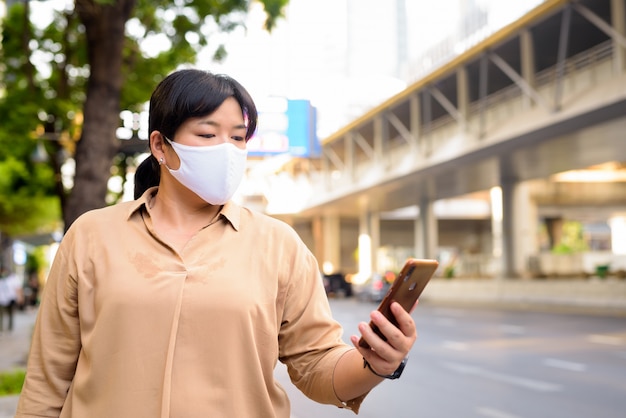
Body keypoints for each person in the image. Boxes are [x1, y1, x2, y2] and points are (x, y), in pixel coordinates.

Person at [16, 68, 418, 418]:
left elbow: (317, 367)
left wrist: (377, 363)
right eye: (207, 134)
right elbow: (47, 380)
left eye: (238, 138)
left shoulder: (279, 245)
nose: (227, 151)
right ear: (160, 146)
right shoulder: (90, 235)